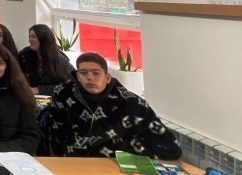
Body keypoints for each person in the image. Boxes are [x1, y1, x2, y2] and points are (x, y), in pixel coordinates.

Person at [44, 52, 182, 160]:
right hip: (74, 163)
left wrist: (124, 147)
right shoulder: (64, 94)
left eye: (96, 73)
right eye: (84, 73)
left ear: (108, 77)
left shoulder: (131, 103)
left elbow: (171, 149)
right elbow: (54, 134)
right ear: (77, 76)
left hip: (114, 164)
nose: (89, 77)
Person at [19, 24, 73, 95]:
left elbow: (71, 84)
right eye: (29, 37)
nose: (30, 40)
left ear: (44, 38)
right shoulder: (24, 55)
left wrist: (39, 90)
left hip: (52, 98)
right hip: (29, 97)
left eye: (33, 37)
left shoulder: (60, 60)